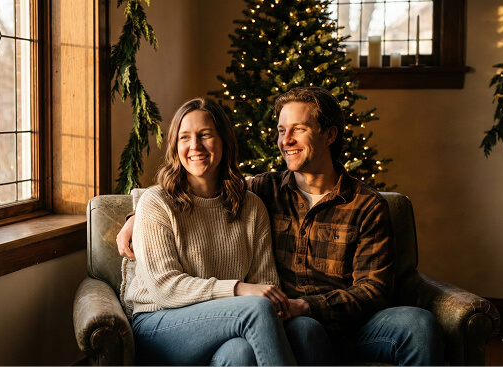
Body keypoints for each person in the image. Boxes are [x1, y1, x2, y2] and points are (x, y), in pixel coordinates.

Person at [118, 87, 445, 366]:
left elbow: (374, 290)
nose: (285, 140)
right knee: (287, 335)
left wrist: (306, 306)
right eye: (280, 130)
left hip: (348, 321)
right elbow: (199, 186)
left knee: (419, 323)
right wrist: (136, 218)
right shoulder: (266, 190)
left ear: (329, 135)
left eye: (298, 129)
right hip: (291, 323)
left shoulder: (365, 204)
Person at [122, 97, 318, 366]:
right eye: (185, 138)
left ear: (224, 141)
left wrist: (263, 300)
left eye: (205, 135)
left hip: (228, 323)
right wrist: (237, 289)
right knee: (256, 309)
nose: (195, 146)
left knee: (240, 353)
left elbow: (265, 284)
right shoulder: (156, 203)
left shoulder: (251, 206)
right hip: (159, 324)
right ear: (175, 146)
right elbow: (164, 288)